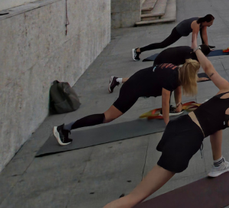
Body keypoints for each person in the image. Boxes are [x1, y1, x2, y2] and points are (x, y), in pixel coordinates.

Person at [53, 59, 229, 208]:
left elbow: (209, 69)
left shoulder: (226, 89)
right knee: (134, 198)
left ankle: (218, 163)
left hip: (178, 127)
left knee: (216, 125)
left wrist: (198, 50)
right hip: (182, 144)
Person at [52, 47, 203, 146]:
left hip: (137, 80)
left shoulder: (177, 71)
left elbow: (177, 88)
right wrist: (168, 125)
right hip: (133, 88)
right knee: (107, 117)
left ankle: (66, 128)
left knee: (108, 116)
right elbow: (164, 104)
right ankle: (64, 128)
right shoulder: (172, 78)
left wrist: (179, 106)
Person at [132, 15, 215, 61]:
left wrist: (207, 47)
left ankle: (139, 50)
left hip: (183, 29)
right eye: (210, 23)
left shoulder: (203, 23)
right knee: (163, 44)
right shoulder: (196, 24)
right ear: (206, 21)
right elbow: (194, 41)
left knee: (204, 41)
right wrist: (196, 50)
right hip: (178, 31)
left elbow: (204, 35)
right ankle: (138, 50)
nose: (211, 25)